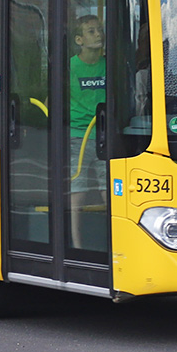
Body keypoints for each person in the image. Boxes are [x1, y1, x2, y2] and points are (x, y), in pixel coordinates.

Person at [68, 15, 107, 249]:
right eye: (91, 31)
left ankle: (114, 242)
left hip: (103, 135)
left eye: (99, 30)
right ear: (79, 39)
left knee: (109, 191)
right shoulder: (71, 66)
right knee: (77, 192)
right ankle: (75, 245)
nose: (98, 35)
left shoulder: (109, 64)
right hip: (77, 136)